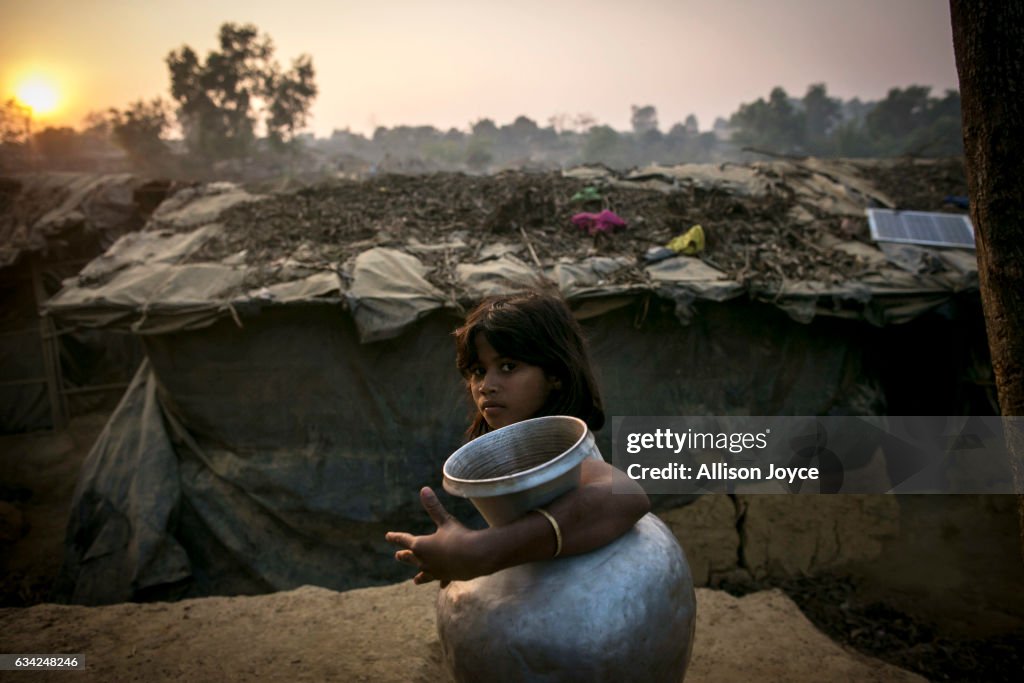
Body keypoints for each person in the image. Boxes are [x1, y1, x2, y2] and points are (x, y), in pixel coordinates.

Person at [385, 289, 650, 586]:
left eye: (509, 366)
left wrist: (481, 550)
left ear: (555, 375)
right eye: (478, 371)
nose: (486, 385)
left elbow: (627, 494)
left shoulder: (561, 453)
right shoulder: (510, 455)